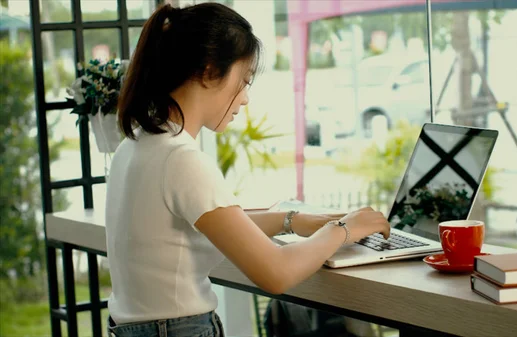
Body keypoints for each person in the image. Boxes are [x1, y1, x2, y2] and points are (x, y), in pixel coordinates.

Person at [105, 3, 391, 336]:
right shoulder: (180, 158)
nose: (244, 99)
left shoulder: (138, 144)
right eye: (243, 81)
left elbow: (211, 223)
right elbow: (276, 273)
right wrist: (343, 229)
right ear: (210, 71)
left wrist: (291, 220)